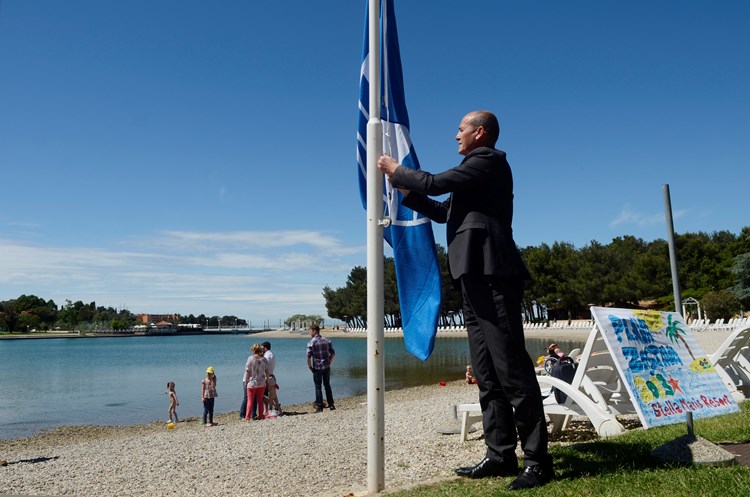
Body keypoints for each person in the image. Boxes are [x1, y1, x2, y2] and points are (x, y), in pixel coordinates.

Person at [377, 110, 553, 490]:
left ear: (480, 132)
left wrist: (397, 169)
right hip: (470, 276)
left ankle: (538, 461)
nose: (455, 135)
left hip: (493, 274)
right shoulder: (474, 174)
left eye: (461, 129)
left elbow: (437, 183)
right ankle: (500, 454)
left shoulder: (488, 160)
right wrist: (410, 194)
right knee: (486, 373)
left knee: (512, 370)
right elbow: (444, 212)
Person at [306, 325, 335, 412]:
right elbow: (333, 353)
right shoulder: (327, 340)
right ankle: (331, 404)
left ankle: (319, 407)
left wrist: (310, 366)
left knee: (318, 387)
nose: (309, 333)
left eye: (310, 331)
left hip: (317, 367)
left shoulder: (311, 342)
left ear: (314, 331)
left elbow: (308, 356)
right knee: (327, 385)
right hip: (326, 366)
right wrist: (329, 362)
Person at [244, 343, 270, 421]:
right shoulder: (264, 359)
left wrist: (246, 381)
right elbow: (267, 371)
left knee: (250, 401)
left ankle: (247, 417)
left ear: (253, 350)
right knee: (260, 400)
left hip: (252, 382)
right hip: (261, 382)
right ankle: (261, 416)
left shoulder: (250, 359)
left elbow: (248, 371)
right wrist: (267, 380)